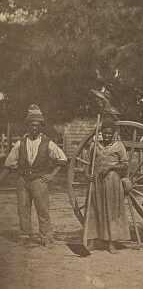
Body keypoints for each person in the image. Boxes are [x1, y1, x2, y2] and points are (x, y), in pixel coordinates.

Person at [0, 104, 68, 246]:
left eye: (37, 125)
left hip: (39, 180)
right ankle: (26, 235)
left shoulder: (48, 143)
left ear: (41, 126)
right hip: (22, 180)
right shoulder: (20, 143)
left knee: (42, 209)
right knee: (23, 208)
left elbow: (63, 160)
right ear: (28, 126)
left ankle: (45, 236)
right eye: (31, 125)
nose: (34, 128)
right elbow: (8, 164)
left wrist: (51, 175)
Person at [85, 118, 130, 253]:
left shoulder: (119, 146)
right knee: (94, 210)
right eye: (105, 133)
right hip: (97, 183)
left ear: (114, 133)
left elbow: (125, 165)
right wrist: (88, 175)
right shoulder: (95, 146)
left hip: (113, 182)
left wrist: (111, 167)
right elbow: (87, 164)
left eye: (110, 133)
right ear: (102, 133)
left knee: (111, 211)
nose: (107, 135)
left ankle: (111, 243)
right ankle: (92, 240)